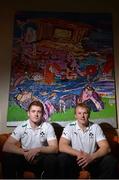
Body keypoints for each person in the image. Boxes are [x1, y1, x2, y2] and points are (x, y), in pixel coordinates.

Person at [58, 103, 118, 179]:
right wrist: (79, 154)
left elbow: (106, 148)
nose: (82, 116)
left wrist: (91, 157)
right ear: (75, 115)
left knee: (110, 160)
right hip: (76, 161)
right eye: (79, 113)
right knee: (62, 158)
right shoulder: (69, 127)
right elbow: (62, 146)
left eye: (85, 113)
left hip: (92, 160)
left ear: (89, 115)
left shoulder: (95, 127)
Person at [2, 100, 58, 179]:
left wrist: (37, 150)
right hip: (25, 158)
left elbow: (55, 148)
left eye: (39, 112)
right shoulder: (21, 126)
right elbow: (6, 146)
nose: (36, 114)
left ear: (42, 114)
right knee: (7, 156)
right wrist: (24, 152)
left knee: (52, 159)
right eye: (33, 111)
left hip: (40, 159)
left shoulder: (47, 127)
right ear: (28, 113)